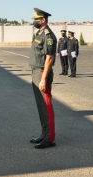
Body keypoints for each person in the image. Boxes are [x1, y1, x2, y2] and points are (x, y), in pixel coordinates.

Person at [29, 8, 57, 149]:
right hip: (36, 71)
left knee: (46, 106)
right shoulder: (39, 34)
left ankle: (50, 138)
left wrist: (43, 78)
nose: (34, 21)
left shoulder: (48, 35)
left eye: (36, 19)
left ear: (43, 20)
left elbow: (49, 58)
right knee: (41, 106)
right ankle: (44, 133)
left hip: (42, 72)